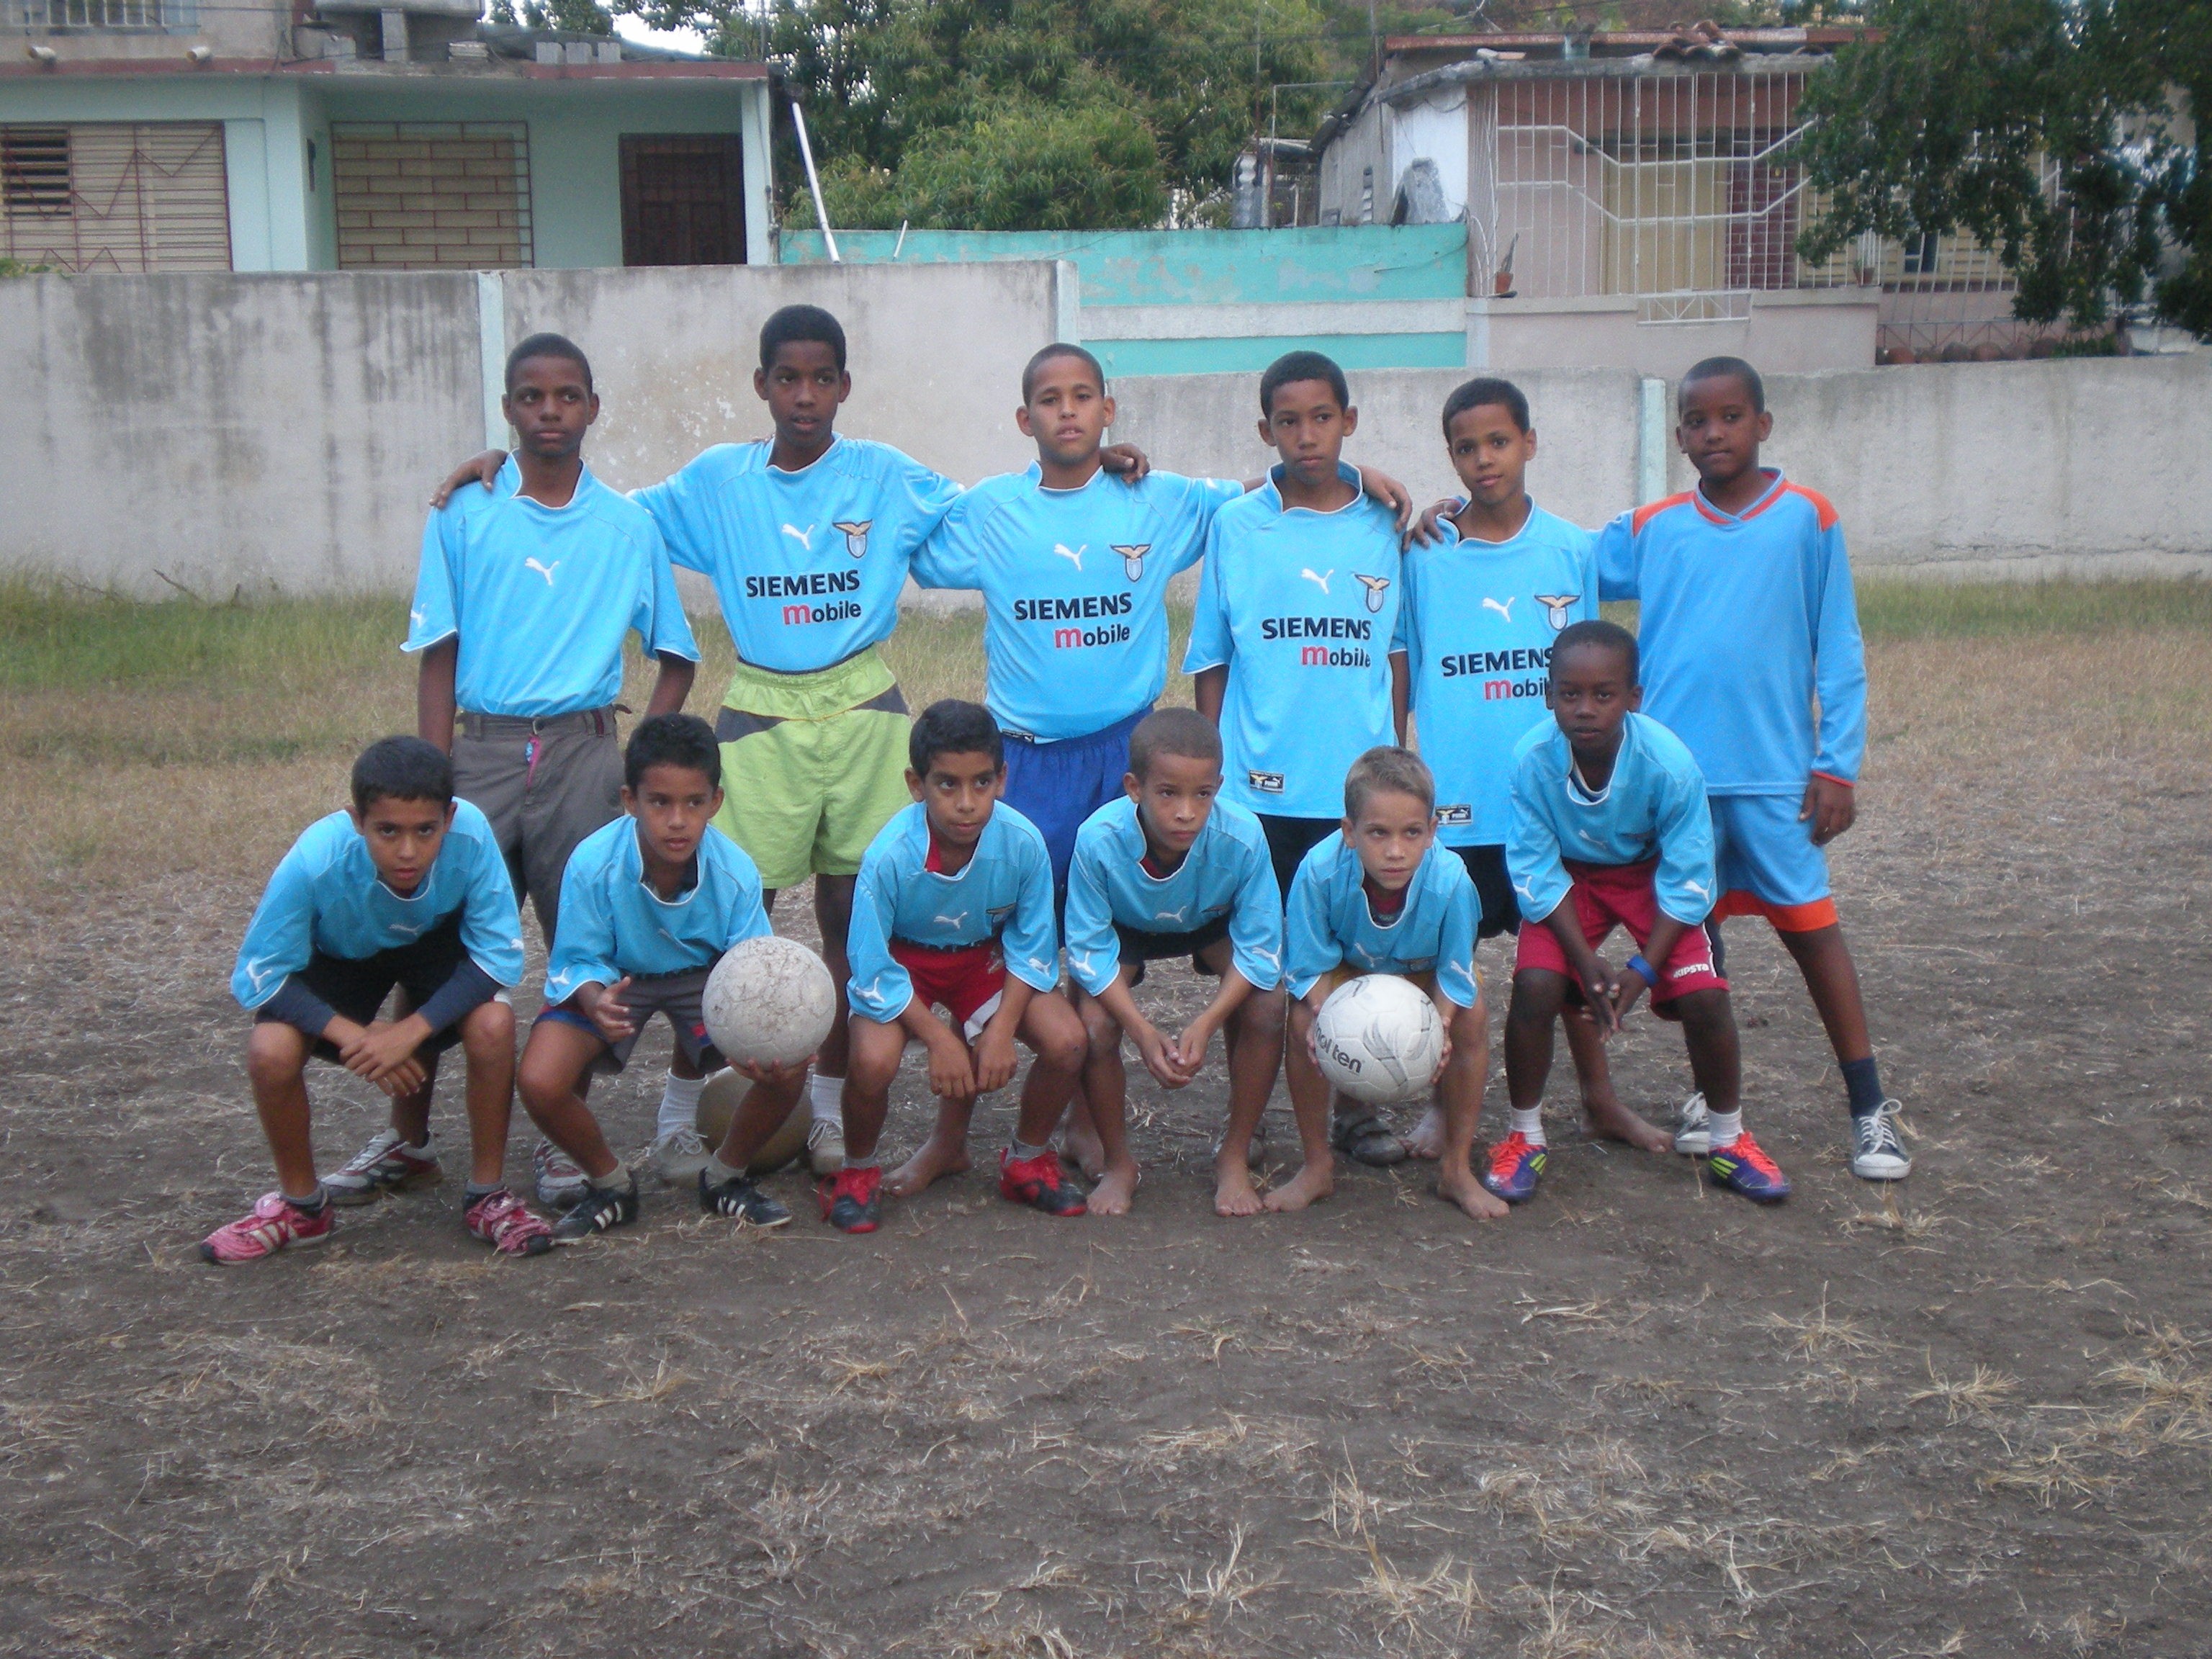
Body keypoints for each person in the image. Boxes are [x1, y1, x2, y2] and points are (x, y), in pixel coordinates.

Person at [431, 309, 1141, 1187]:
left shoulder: (887, 476)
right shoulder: (715, 482)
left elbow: (1010, 503)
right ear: (762, 386)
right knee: (727, 920)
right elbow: (596, 510)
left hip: (864, 709)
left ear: (843, 386)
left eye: (822, 379)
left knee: (851, 923)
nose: (805, 396)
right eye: (787, 379)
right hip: (762, 708)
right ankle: (687, 1109)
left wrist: (1092, 467)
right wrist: (499, 474)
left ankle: (835, 1111)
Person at [399, 331, 700, 1212]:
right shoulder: (466, 512)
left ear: (593, 408)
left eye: (568, 397)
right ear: (508, 410)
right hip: (481, 749)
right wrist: (432, 774)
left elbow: (674, 654)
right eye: (532, 398)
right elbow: (438, 649)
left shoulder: (624, 523)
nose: (550, 412)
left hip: (582, 751)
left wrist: (637, 753)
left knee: (585, 946)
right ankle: (407, 1139)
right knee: (435, 941)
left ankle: (564, 1141)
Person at [1596, 356, 1906, 1182]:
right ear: (1680, 436)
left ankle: (1871, 1109)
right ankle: (1711, 1098)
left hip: (1775, 779)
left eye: (1731, 417)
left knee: (1814, 938)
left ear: (1762, 424)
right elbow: (1554, 562)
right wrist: (1451, 520)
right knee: (1699, 943)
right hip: (1678, 786)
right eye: (1697, 421)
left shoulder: (1808, 518)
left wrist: (1836, 765)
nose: (1713, 433)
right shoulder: (1653, 525)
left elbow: (1838, 647)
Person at [1390, 375, 1661, 1166]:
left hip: (1556, 806)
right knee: (1442, 961)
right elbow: (1402, 660)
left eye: (1500, 442)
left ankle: (1601, 1100)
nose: (1485, 460)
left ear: (1531, 444)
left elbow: (1669, 573)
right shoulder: (1425, 555)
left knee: (1570, 969)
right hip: (1463, 799)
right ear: (1450, 456)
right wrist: (1400, 752)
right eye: (1467, 447)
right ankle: (1446, 1114)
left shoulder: (1574, 551)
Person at [208, 737, 548, 1264]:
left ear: (450, 818)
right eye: (387, 831)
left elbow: (500, 959)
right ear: (356, 820)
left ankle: (488, 1195)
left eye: (425, 831)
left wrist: (409, 1032)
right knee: (269, 1049)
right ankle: (303, 1208)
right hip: (342, 956)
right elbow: (258, 976)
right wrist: (357, 1038)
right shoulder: (316, 858)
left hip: (434, 945)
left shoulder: (474, 835)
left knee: (494, 1023)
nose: (407, 851)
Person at [1497, 621, 1789, 1205]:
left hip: (1651, 875)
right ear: (1548, 694)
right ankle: (1523, 1137)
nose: (1585, 709)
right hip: (1570, 881)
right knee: (1535, 987)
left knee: (1705, 995)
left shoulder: (1669, 765)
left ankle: (1729, 1139)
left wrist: (1643, 971)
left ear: (1634, 699)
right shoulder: (1531, 760)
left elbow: (1688, 881)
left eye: (1604, 695)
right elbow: (1533, 868)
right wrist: (1583, 959)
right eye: (1569, 694)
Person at [516, 715, 806, 1242]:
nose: (678, 820)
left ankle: (725, 1177)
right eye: (660, 803)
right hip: (619, 981)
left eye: (693, 803)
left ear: (716, 802)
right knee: (539, 1078)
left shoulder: (736, 870)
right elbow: (575, 955)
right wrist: (592, 997)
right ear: (630, 800)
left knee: (787, 1065)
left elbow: (754, 970)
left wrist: (756, 1033)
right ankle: (611, 1185)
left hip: (703, 982)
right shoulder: (593, 862)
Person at [826, 701, 1089, 1233]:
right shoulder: (889, 857)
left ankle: (1027, 1159)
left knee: (1067, 1041)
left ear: (1002, 779)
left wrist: (1002, 1030)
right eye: (947, 785)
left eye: (981, 783)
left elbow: (1035, 947)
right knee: (873, 1060)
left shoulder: (1023, 843)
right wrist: (941, 1040)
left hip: (981, 960)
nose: (967, 804)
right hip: (905, 965)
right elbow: (872, 967)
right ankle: (856, 1172)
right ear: (915, 784)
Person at [1185, 351, 1406, 899]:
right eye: (1289, 422)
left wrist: (1397, 752)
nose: (1307, 435)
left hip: (1360, 780)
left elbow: (1395, 648)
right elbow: (1212, 655)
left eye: (1323, 418)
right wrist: (1211, 768)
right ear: (1267, 431)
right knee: (1262, 938)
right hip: (1263, 781)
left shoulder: (1386, 521)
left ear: (1348, 422)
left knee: (1354, 933)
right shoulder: (1236, 525)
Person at [1060, 709, 1287, 1218]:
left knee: (1268, 1005)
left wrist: (1206, 1023)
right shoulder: (1098, 840)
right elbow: (1089, 953)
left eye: (1202, 794)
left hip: (1209, 921)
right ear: (1134, 788)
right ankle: (1120, 1163)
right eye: (1169, 793)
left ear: (1219, 787)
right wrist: (1142, 1031)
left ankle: (1234, 1155)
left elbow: (1261, 948)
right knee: (1095, 1022)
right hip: (1125, 927)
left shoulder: (1243, 837)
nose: (1187, 812)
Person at [1281, 747, 1503, 1220]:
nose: (1396, 850)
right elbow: (1307, 966)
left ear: (1432, 834)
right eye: (1378, 833)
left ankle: (1456, 1169)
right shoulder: (1319, 873)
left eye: (1412, 833)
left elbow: (1456, 971)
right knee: (1301, 1016)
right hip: (1348, 976)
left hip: (1421, 974)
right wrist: (1329, 1022)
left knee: (1473, 1014)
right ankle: (1317, 1165)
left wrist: (1441, 1026)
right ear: (1349, 833)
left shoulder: (1452, 883)